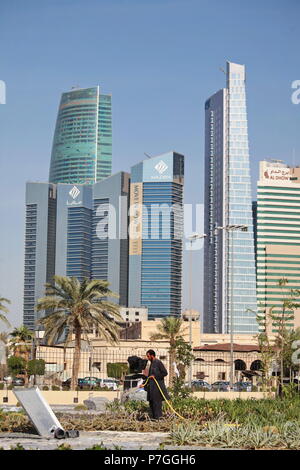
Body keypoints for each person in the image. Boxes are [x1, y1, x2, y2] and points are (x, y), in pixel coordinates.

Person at [142, 349, 170, 420]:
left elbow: (165, 373)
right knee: (152, 404)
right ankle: (154, 419)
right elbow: (149, 376)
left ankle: (158, 419)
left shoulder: (158, 363)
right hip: (151, 388)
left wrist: (155, 376)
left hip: (157, 388)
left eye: (148, 356)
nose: (148, 358)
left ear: (152, 355)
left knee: (157, 405)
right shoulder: (151, 363)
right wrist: (144, 384)